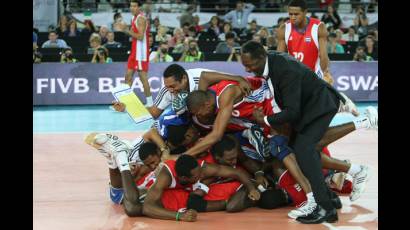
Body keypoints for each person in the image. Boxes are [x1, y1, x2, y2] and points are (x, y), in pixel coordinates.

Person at [240, 40, 372, 223]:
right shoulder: (271, 62)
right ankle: (329, 200)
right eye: (244, 65)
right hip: (311, 105)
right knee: (302, 148)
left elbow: (292, 112)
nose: (247, 69)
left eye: (250, 65)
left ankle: (326, 209)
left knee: (304, 151)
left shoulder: (284, 70)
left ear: (262, 57)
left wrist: (263, 120)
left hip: (320, 106)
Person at [142, 154, 261, 221]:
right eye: (197, 175)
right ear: (183, 178)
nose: (201, 175)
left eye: (200, 172)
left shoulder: (202, 169)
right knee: (135, 209)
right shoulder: (166, 176)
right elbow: (147, 208)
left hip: (188, 193)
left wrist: (251, 188)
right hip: (168, 193)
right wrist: (179, 216)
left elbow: (236, 172)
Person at [112, 64, 251, 120]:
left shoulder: (200, 76)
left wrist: (240, 79)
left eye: (173, 86)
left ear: (184, 79)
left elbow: (226, 77)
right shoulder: (167, 89)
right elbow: (154, 113)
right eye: (168, 86)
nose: (171, 90)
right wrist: (127, 108)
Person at [118, 0, 153, 106]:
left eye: (134, 6)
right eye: (131, 6)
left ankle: (150, 103)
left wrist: (126, 30)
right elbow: (133, 34)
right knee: (128, 77)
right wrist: (125, 30)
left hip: (141, 53)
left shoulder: (141, 18)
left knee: (143, 78)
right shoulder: (133, 18)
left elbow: (140, 36)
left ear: (139, 8)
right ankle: (124, 103)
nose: (132, 8)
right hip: (134, 52)